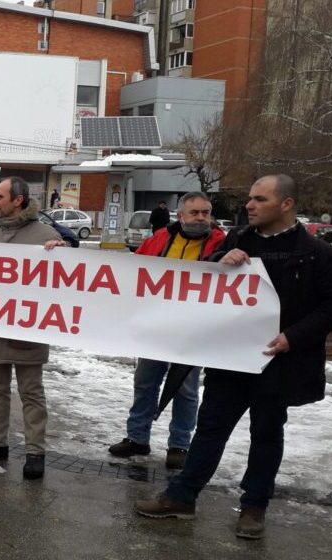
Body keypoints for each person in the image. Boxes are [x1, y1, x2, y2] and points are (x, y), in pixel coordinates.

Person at [136, 175, 332, 539]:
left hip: (279, 363)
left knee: (266, 434)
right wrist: (219, 257)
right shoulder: (237, 239)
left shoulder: (317, 253)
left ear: (286, 205)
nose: (249, 205)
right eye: (250, 198)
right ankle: (182, 496)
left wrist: (293, 337)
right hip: (230, 359)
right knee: (210, 428)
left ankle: (254, 507)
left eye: (260, 199)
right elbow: (208, 275)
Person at [107, 192, 226, 469]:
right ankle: (137, 437)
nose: (200, 218)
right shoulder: (159, 239)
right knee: (145, 382)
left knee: (185, 389)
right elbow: (133, 269)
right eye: (194, 212)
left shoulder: (223, 243)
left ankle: (179, 445)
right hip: (156, 327)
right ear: (180, 215)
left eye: (205, 212)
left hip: (194, 330)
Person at [0, 177, 61, 480]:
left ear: (18, 200)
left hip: (25, 330)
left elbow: (68, 276)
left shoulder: (45, 235)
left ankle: (35, 451)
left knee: (31, 392)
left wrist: (61, 251)